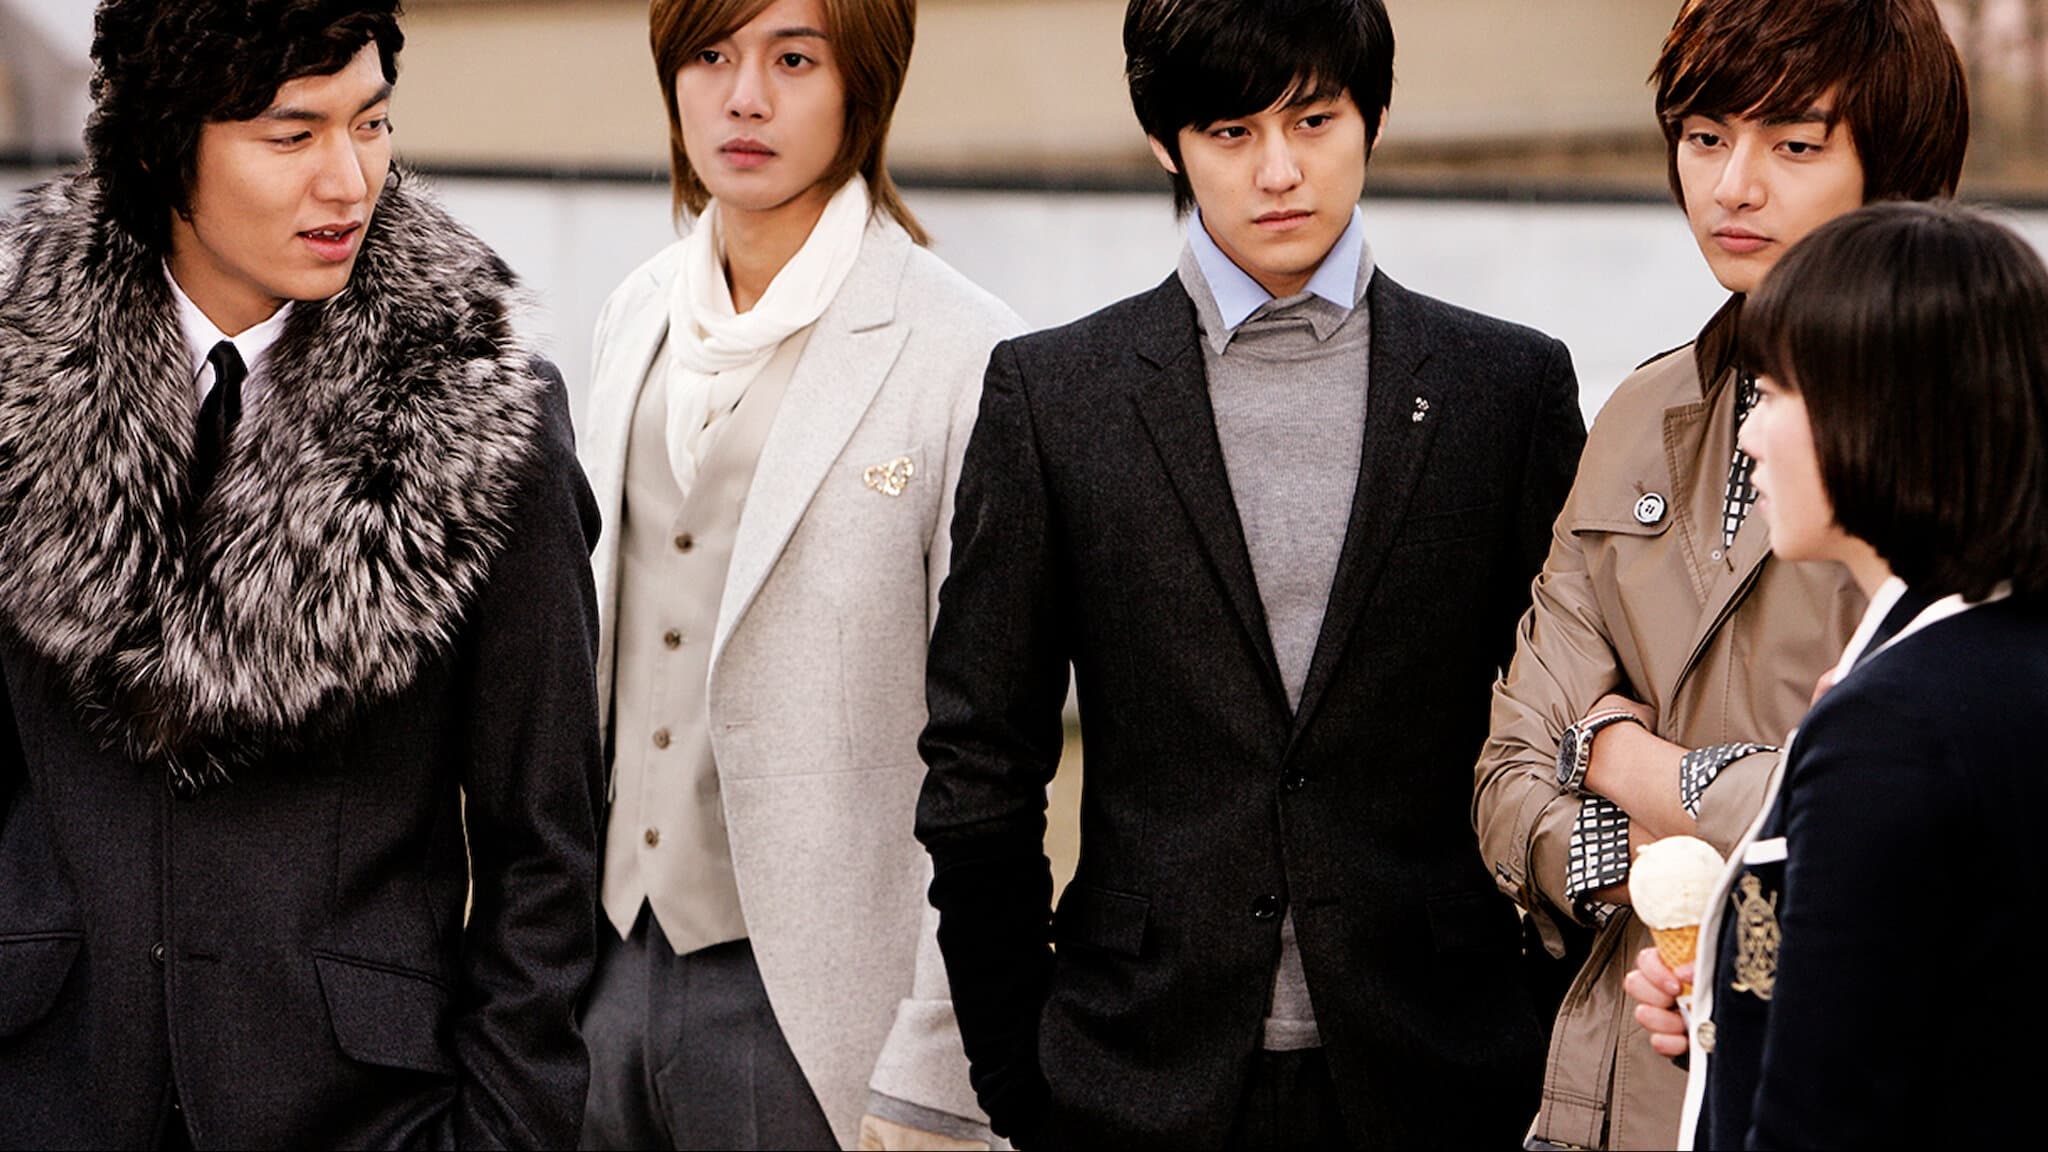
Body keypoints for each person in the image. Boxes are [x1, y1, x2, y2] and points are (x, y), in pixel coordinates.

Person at [915, 0, 1586, 1145]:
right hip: (1134, 1071)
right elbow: (979, 761)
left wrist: (1542, 1023)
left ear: (1373, 118)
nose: (1278, 171)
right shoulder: (1054, 396)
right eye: (1230, 132)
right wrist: (1021, 1076)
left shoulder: (1504, 389)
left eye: (1313, 121)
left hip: (1443, 1068)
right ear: (1164, 142)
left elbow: (1564, 724)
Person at [0, 1, 605, 1148]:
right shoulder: (18, 388)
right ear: (158, 150)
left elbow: (545, 848)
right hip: (53, 1089)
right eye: (292, 135)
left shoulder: (487, 421)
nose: (349, 180)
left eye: (370, 123)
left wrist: (503, 1131)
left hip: (364, 1113)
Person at [1470, 2, 1969, 1145]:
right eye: (1702, 138)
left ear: (1892, 168)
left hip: (1820, 1082)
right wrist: (1686, 870)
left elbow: (1883, 803)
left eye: (1792, 145)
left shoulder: (1967, 437)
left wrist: (1616, 755)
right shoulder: (1640, 412)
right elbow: (1505, 778)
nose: (1731, 186)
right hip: (1602, 1090)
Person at [573, 0, 1022, 1148]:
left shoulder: (963, 350)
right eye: (710, 55)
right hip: (600, 984)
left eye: (792, 59)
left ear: (860, 83)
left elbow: (990, 744)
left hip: (818, 1016)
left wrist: (933, 1064)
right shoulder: (632, 318)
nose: (744, 97)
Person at [1623, 200, 2048, 1147]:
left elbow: (1829, 1115)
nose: (1748, 436)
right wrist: (1730, 1015)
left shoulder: (1895, 725)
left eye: (1775, 396)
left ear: (1880, 416)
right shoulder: (1996, 664)